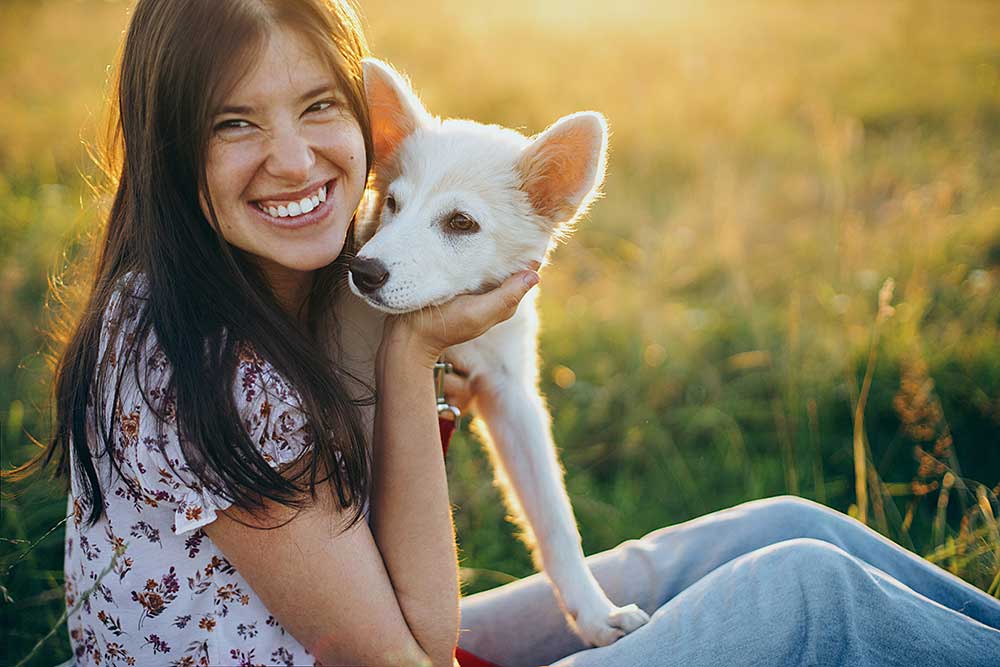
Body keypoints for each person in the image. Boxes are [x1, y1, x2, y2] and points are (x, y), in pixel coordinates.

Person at [8, 1, 998, 666]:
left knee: (786, 522)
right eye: (234, 123)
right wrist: (412, 354)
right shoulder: (204, 363)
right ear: (169, 142)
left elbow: (491, 415)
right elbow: (417, 648)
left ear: (364, 124)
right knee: (811, 589)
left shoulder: (220, 284)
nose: (294, 157)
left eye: (319, 106)